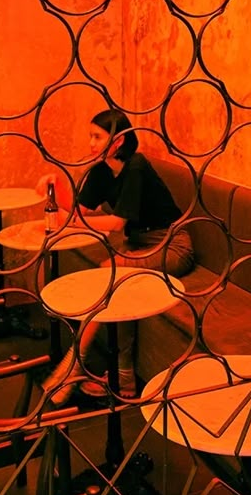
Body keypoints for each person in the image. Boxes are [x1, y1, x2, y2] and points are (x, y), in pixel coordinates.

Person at [40, 107, 194, 406]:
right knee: (119, 285)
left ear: (118, 140)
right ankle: (122, 374)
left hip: (173, 246)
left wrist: (69, 221)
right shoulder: (102, 170)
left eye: (97, 136)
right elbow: (79, 212)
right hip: (140, 246)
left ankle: (73, 366)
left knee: (107, 273)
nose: (91, 143)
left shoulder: (136, 166)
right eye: (91, 136)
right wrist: (54, 185)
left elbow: (117, 223)